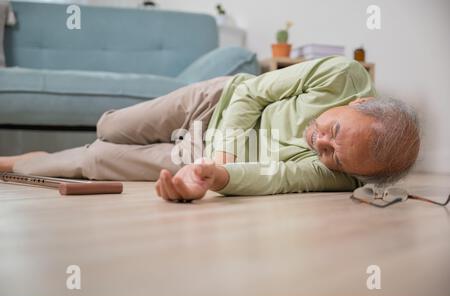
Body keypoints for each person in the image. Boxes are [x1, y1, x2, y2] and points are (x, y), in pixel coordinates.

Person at [0, 56, 420, 201]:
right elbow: (252, 94)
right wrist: (222, 156)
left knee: (96, 159)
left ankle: (17, 163)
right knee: (110, 127)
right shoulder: (343, 75)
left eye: (333, 155)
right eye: (334, 130)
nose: (320, 142)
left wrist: (216, 176)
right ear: (359, 103)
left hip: (212, 156)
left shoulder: (343, 174)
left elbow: (280, 178)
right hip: (215, 103)